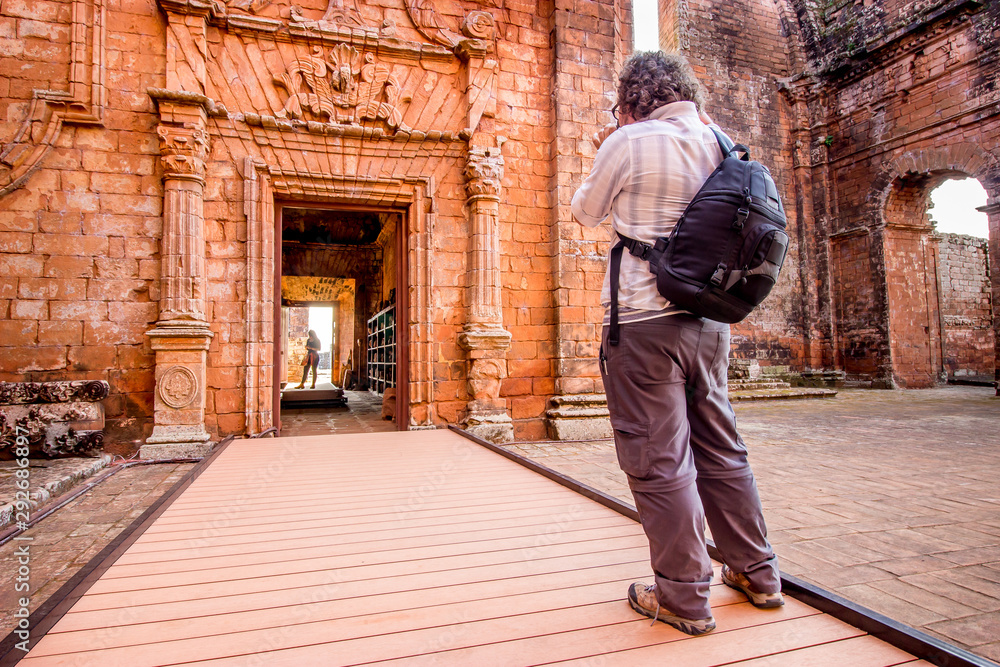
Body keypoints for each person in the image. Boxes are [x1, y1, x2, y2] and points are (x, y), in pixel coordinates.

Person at [571, 51, 782, 637]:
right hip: (711, 324)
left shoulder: (631, 140)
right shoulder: (723, 141)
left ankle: (684, 597)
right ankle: (757, 573)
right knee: (722, 448)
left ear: (634, 100)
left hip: (643, 325)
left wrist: (615, 140)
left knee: (659, 459)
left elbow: (586, 211)